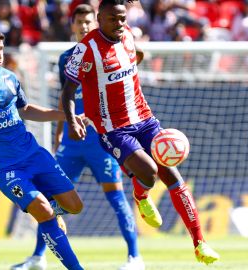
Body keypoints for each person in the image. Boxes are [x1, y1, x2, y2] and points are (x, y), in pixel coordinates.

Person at [61, 0, 220, 265]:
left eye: (122, 18)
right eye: (113, 19)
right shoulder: (85, 49)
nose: (119, 24)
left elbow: (135, 58)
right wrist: (72, 120)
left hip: (145, 119)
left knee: (172, 174)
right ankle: (141, 194)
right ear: (100, 18)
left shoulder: (129, 38)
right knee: (150, 171)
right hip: (112, 129)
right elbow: (67, 92)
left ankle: (200, 243)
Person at [11, 4, 144, 270]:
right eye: (79, 22)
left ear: (94, 23)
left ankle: (134, 257)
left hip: (100, 140)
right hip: (72, 142)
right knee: (51, 199)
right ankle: (38, 257)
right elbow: (65, 99)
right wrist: (60, 133)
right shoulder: (65, 58)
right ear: (72, 25)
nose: (83, 27)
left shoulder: (107, 51)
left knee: (116, 198)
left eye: (87, 22)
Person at [0, 25, 85, 270]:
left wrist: (66, 116)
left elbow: (25, 110)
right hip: (5, 167)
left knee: (74, 206)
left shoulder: (9, 77)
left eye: (1, 49)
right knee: (43, 211)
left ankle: (50, 213)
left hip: (32, 153)